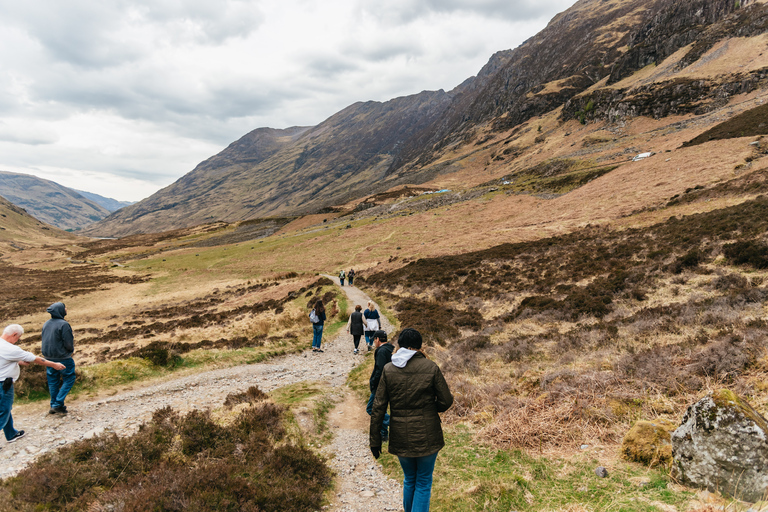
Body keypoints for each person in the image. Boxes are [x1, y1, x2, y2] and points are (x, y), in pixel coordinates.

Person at [370, 328, 453, 512]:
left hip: (400, 435)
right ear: (419, 347)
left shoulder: (389, 369)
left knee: (409, 480)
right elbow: (446, 401)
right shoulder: (430, 367)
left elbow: (378, 407)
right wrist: (431, 410)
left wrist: (375, 440)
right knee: (423, 482)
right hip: (428, 435)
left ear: (400, 345)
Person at [1, 324, 65, 445]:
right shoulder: (10, 348)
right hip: (4, 384)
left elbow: (3, 359)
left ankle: (11, 434)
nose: (17, 341)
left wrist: (18, 361)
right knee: (4, 410)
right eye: (18, 338)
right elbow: (35, 358)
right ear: (14, 335)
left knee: (5, 408)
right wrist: (54, 365)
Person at [41, 302, 76, 415]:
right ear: (60, 311)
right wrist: (69, 352)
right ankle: (57, 404)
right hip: (63, 357)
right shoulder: (64, 324)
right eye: (64, 308)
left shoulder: (46, 324)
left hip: (48, 358)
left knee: (53, 382)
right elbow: (69, 344)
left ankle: (54, 405)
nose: (66, 309)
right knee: (69, 378)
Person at [366, 330, 393, 440]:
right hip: (389, 383)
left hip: (380, 386)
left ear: (377, 339)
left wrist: (374, 383)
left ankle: (394, 423)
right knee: (381, 408)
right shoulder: (391, 348)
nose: (374, 341)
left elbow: (380, 369)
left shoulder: (381, 351)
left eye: (374, 339)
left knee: (371, 408)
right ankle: (383, 435)